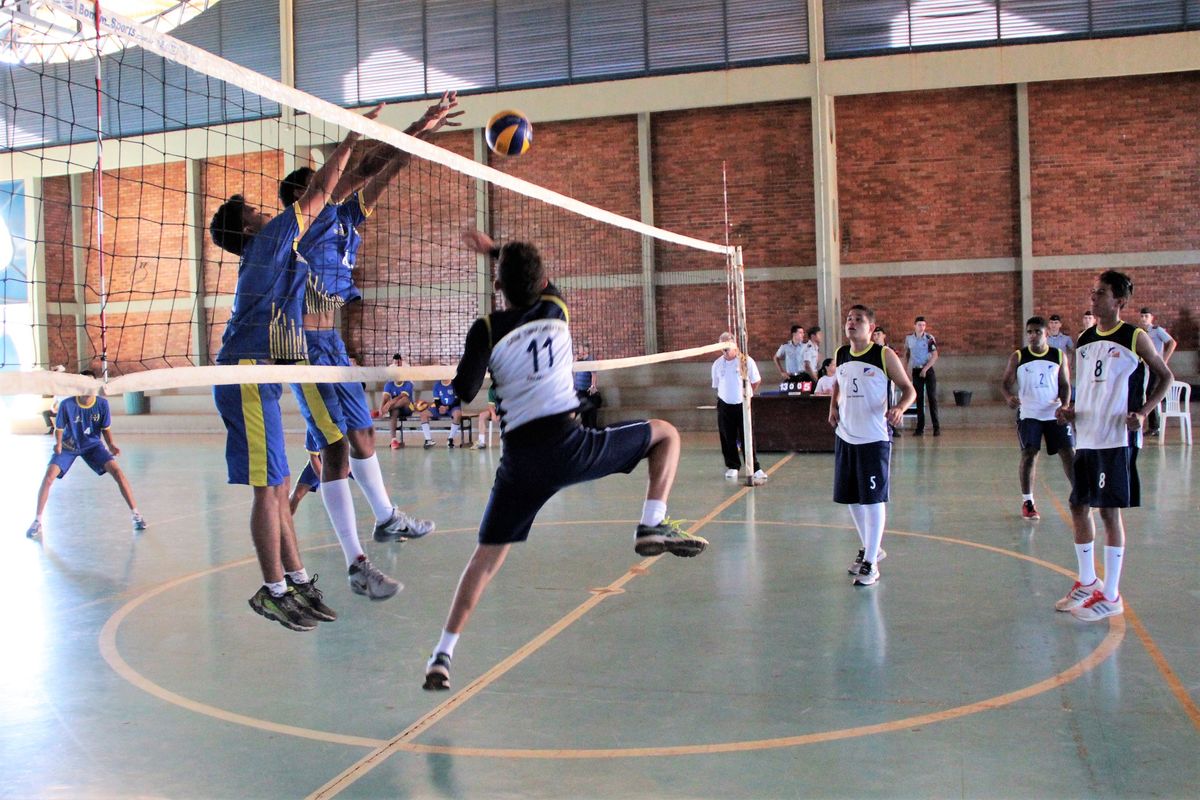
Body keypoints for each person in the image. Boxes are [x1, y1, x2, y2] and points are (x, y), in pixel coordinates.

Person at [422, 230, 707, 691]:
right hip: (572, 446)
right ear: (543, 281)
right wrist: (498, 250)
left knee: (485, 560)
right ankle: (652, 521)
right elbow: (535, 278)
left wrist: (441, 393)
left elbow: (464, 392)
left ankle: (442, 654)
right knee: (666, 435)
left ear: (499, 286)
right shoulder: (558, 310)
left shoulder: (487, 329)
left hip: (521, 464)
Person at [208, 108, 391, 630]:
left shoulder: (278, 250)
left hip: (262, 374)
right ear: (248, 225)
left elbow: (333, 199)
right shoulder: (268, 242)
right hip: (246, 372)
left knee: (281, 480)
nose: (267, 212)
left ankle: (299, 579)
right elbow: (323, 191)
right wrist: (351, 137)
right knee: (269, 488)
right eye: (256, 210)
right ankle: (272, 589)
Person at [280, 97, 455, 601]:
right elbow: (356, 170)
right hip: (305, 349)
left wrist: (422, 128)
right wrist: (362, 138)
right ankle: (356, 563)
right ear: (306, 198)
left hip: (333, 344)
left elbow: (386, 168)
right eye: (322, 188)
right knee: (335, 449)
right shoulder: (299, 226)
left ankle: (386, 518)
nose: (334, 191)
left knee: (363, 434)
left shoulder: (343, 220)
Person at [1054, 271, 1173, 622]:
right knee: (1079, 506)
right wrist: (1070, 410)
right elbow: (1086, 385)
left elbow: (1164, 376)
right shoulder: (1085, 338)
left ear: (1119, 301)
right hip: (1086, 437)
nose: (1093, 298)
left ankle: (1111, 595)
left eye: (1101, 293)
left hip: (1116, 439)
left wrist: (1144, 412)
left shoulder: (1135, 336)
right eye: (1093, 292)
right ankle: (1088, 582)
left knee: (1108, 513)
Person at [827, 306, 916, 586]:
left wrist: (900, 408)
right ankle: (872, 548)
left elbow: (908, 389)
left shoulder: (883, 354)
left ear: (872, 326)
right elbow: (838, 386)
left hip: (873, 439)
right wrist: (832, 407)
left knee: (873, 499)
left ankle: (870, 565)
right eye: (849, 319)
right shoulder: (841, 354)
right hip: (846, 435)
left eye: (858, 320)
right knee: (852, 497)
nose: (852, 323)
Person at [26, 370, 146, 538]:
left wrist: (111, 445)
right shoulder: (67, 405)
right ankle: (37, 521)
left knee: (118, 473)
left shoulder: (102, 404)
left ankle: (136, 515)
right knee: (48, 477)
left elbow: (105, 429)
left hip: (93, 446)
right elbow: (59, 429)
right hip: (69, 445)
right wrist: (59, 444)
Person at [1000, 316, 1074, 521]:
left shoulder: (1058, 355)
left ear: (1046, 334)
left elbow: (1065, 384)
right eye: (1029, 332)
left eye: (1037, 332)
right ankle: (1028, 502)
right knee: (1030, 454)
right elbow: (1005, 383)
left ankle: (1080, 494)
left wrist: (1065, 406)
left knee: (1068, 452)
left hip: (1054, 412)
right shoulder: (1019, 357)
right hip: (1029, 414)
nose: (1032, 336)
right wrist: (1009, 398)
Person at [712, 332, 767, 484]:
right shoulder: (717, 364)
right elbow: (717, 385)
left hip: (743, 404)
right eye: (721, 344)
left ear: (734, 345)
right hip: (724, 405)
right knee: (727, 436)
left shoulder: (745, 361)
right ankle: (733, 466)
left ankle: (755, 467)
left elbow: (756, 381)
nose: (724, 348)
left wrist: (747, 395)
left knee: (747, 435)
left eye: (727, 344)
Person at [1138, 307, 1176, 437]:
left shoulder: (1157, 330)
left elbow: (1172, 342)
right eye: (1142, 316)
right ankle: (1150, 424)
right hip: (1144, 367)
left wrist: (1164, 359)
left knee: (1151, 394)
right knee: (1144, 393)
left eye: (1146, 316)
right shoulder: (1140, 332)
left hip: (1155, 367)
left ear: (1151, 318)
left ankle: (1155, 426)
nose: (1144, 319)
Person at [903, 315, 940, 436]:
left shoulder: (929, 338)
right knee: (919, 399)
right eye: (919, 325)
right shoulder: (909, 339)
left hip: (928, 370)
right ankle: (920, 427)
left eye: (923, 325)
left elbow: (935, 355)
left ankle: (936, 427)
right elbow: (907, 354)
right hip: (916, 370)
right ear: (914, 326)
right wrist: (905, 369)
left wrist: (926, 368)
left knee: (932, 398)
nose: (921, 327)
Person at [380, 353, 415, 449]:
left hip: (409, 407)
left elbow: (403, 396)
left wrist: (389, 404)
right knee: (394, 411)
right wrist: (381, 408)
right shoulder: (389, 384)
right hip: (397, 407)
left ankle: (389, 408)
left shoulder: (408, 383)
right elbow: (385, 397)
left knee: (404, 399)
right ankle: (393, 440)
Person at [421, 378, 464, 448]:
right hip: (441, 407)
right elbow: (437, 401)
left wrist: (447, 407)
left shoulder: (456, 384)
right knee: (423, 414)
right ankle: (428, 440)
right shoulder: (437, 385)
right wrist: (440, 407)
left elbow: (457, 401)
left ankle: (450, 439)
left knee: (458, 414)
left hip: (452, 407)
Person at [574, 340, 603, 428]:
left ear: (586, 351)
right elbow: (573, 373)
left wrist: (593, 387)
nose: (580, 353)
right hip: (579, 390)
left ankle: (591, 427)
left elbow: (593, 375)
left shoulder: (590, 360)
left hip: (588, 390)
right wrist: (575, 361)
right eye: (579, 351)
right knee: (581, 405)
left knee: (591, 405)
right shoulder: (577, 360)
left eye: (582, 351)